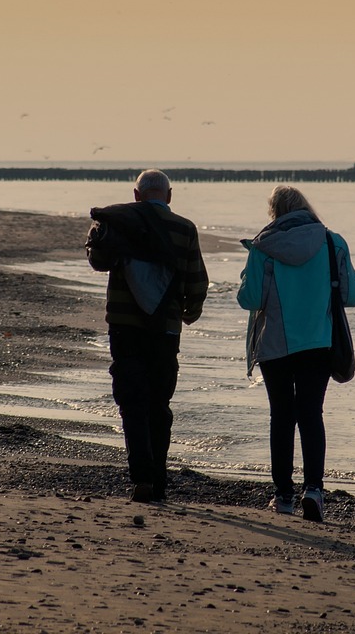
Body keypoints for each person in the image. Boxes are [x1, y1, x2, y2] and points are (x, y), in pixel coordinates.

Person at [237, 185, 355, 522]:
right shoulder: (331, 241)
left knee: (281, 416)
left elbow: (249, 300)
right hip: (317, 342)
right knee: (311, 413)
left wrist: (248, 275)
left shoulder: (263, 246)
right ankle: (314, 489)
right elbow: (352, 294)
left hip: (275, 344)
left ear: (274, 212)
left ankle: (283, 496)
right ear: (305, 208)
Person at [85, 169, 208, 503]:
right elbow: (197, 281)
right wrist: (190, 312)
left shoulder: (119, 220)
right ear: (169, 196)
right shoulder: (185, 229)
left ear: (136, 195)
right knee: (159, 404)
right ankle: (159, 480)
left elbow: (98, 261)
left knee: (131, 402)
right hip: (165, 329)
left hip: (124, 326)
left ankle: (141, 477)